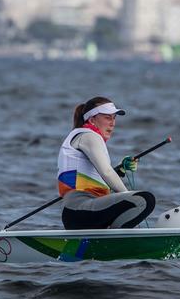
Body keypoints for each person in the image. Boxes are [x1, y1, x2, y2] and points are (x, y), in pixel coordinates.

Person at [57, 97, 156, 229]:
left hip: (80, 211)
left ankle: (109, 238)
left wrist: (120, 170)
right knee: (144, 199)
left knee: (136, 200)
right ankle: (116, 241)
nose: (113, 123)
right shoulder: (89, 136)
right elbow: (106, 172)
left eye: (114, 118)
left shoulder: (84, 137)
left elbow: (101, 177)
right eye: (107, 118)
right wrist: (127, 196)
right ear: (92, 120)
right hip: (80, 208)